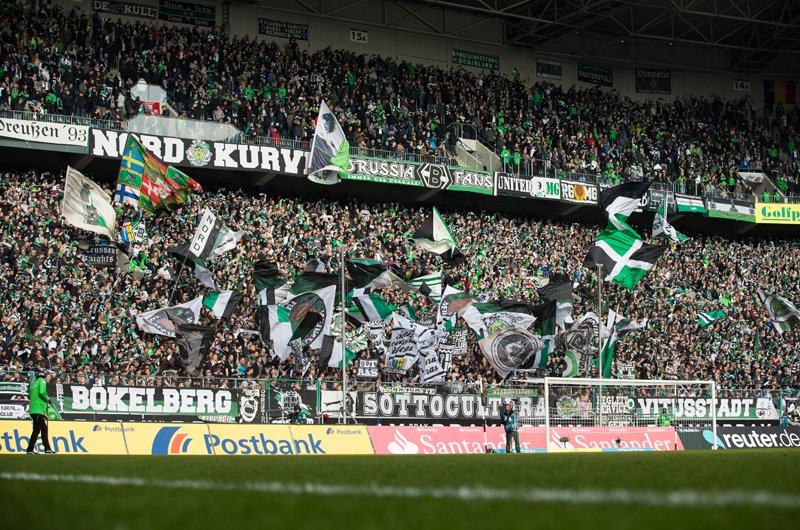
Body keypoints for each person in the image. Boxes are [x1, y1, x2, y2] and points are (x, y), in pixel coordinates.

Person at [26, 372, 55, 454]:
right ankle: (47, 448)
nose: (49, 378)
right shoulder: (42, 381)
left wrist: (43, 413)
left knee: (36, 430)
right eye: (49, 376)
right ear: (45, 376)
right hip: (38, 411)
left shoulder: (34, 385)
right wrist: (47, 398)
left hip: (34, 411)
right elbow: (42, 392)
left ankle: (30, 449)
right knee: (44, 429)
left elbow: (31, 396)